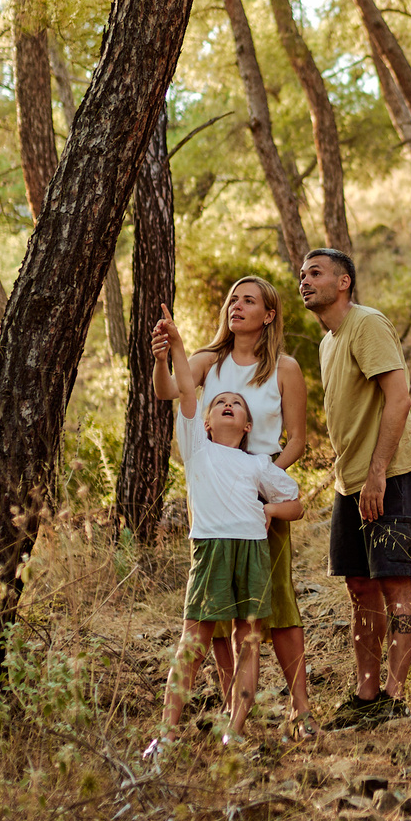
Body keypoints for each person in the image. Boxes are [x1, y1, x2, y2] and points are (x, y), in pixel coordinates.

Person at [155, 276, 315, 736]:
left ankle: (301, 712)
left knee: (277, 609)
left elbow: (298, 439)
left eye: (249, 300)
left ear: (268, 315)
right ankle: (235, 715)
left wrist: (265, 483)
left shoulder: (284, 368)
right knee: (216, 616)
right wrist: (161, 356)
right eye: (233, 300)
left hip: (263, 498)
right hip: (214, 502)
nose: (237, 306)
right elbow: (170, 390)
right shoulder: (209, 360)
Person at [294, 247, 411, 727]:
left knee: (395, 582)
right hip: (350, 483)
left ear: (344, 281)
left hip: (388, 474)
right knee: (359, 586)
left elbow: (399, 398)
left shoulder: (366, 324)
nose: (304, 281)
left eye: (316, 273)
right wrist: (353, 479)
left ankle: (394, 696)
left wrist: (376, 474)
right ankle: (366, 695)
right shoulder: (329, 342)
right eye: (302, 275)